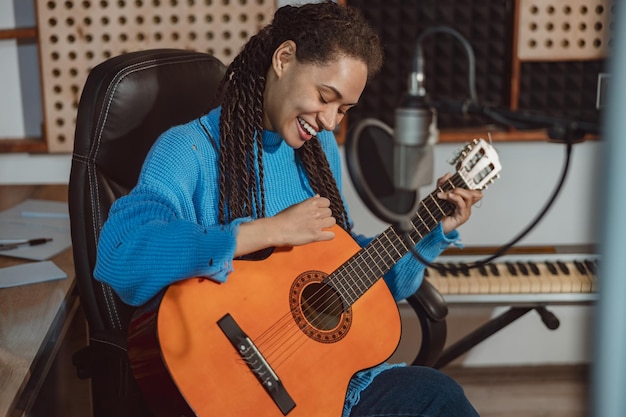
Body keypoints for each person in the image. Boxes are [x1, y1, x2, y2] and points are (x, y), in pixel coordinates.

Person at [94, 1, 483, 416]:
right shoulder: (189, 150)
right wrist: (266, 232)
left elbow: (351, 272)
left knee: (438, 395)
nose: (331, 121)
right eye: (325, 96)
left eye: (344, 110)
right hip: (236, 391)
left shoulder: (318, 151)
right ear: (284, 59)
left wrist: (429, 228)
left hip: (330, 385)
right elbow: (119, 255)